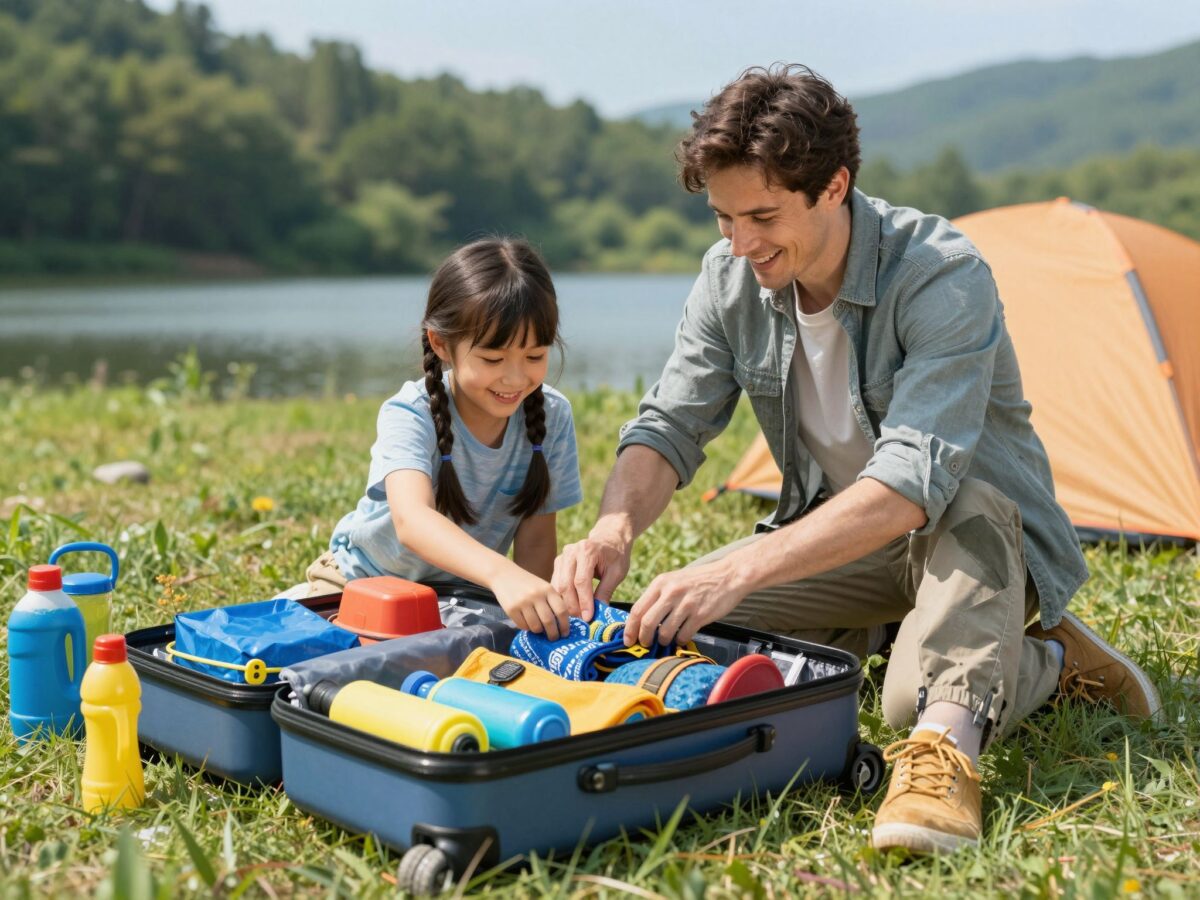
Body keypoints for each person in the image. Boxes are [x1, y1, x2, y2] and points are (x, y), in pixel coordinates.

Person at [552, 65, 1161, 853]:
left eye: (762, 216)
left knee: (914, 701)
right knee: (690, 628)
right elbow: (671, 422)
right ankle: (958, 644)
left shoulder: (942, 273)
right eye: (723, 219)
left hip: (973, 536)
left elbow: (913, 485)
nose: (739, 244)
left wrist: (739, 567)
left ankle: (1012, 686)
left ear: (834, 185)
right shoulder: (729, 277)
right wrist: (611, 531)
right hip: (845, 543)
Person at [300, 238, 583, 640]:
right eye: (492, 359)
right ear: (441, 343)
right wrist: (503, 574)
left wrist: (536, 618)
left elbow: (536, 541)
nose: (515, 378)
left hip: (460, 600)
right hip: (361, 588)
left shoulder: (552, 416)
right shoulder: (410, 412)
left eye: (535, 357)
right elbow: (412, 521)